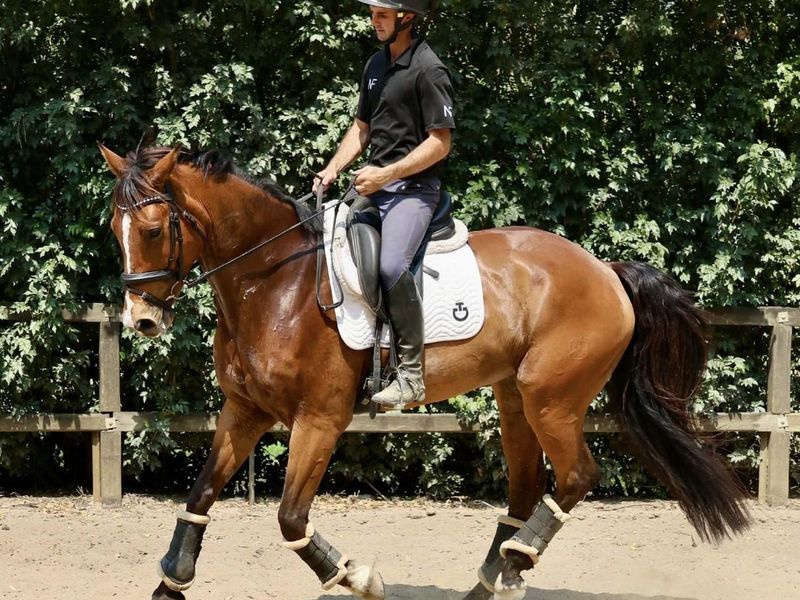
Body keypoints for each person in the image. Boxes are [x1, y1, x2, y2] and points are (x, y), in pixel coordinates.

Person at [314, 0, 455, 408]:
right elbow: (362, 128)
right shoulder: (375, 65)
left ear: (406, 18)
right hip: (373, 188)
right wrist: (332, 169)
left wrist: (386, 174)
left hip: (413, 193)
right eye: (373, 14)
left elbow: (440, 142)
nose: (373, 21)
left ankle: (411, 376)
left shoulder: (429, 69)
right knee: (322, 241)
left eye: (382, 15)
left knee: (391, 265)